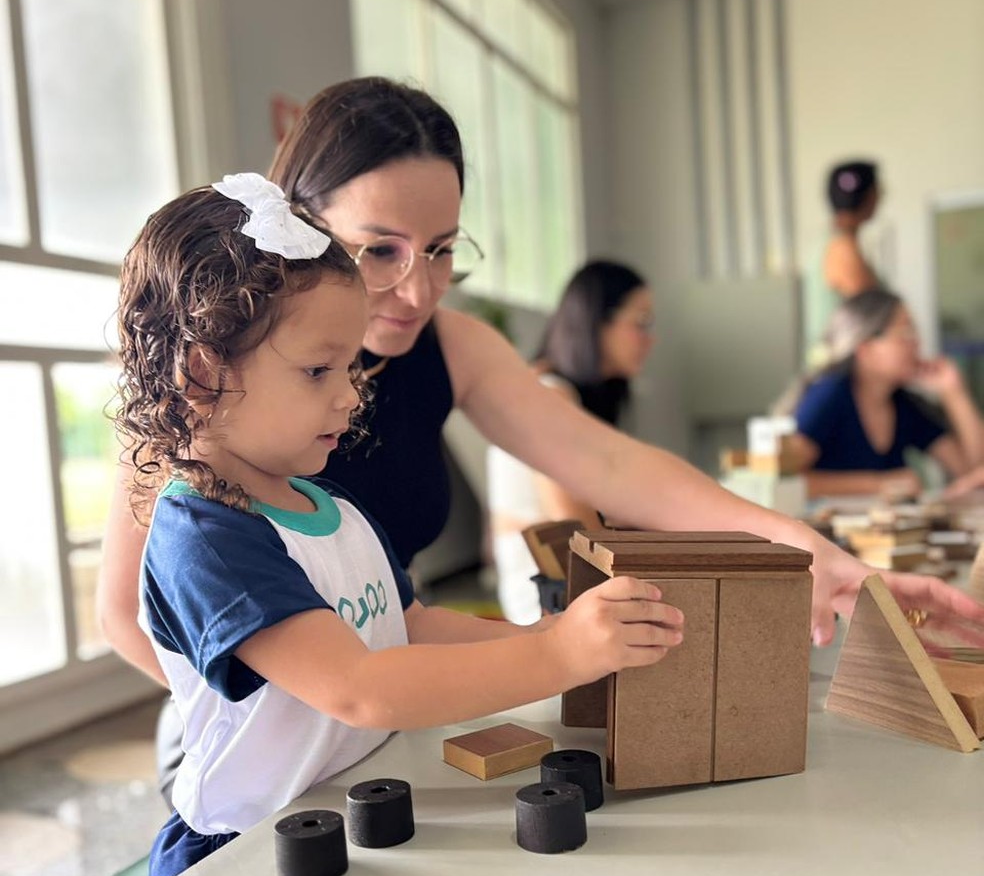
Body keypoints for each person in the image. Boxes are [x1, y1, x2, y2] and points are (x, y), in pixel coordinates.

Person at [97, 77, 984, 742]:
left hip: (380, 706)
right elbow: (128, 614)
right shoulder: (203, 410)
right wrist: (264, 726)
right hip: (276, 730)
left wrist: (815, 557)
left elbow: (615, 467)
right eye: (379, 250)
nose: (416, 289)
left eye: (442, 249)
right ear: (300, 230)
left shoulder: (450, 347)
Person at [116, 173, 682, 876]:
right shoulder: (206, 528)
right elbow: (359, 682)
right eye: (317, 372)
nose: (349, 395)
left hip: (347, 832)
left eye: (348, 370)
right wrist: (554, 651)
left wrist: (568, 648)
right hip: (247, 873)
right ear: (206, 373)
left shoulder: (324, 504)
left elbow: (407, 627)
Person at [487, 259, 655, 622]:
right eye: (640, 323)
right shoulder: (548, 394)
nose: (649, 339)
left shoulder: (566, 394)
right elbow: (576, 530)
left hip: (563, 579)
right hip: (545, 591)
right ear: (597, 323)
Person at [780, 288, 984, 499]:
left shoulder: (903, 404)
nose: (916, 343)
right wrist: (879, 484)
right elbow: (784, 480)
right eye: (905, 333)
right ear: (865, 348)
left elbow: (972, 471)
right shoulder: (829, 396)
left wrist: (954, 392)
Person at [802, 160, 882, 365]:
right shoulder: (842, 248)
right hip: (840, 370)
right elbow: (875, 316)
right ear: (869, 197)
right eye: (879, 191)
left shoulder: (833, 242)